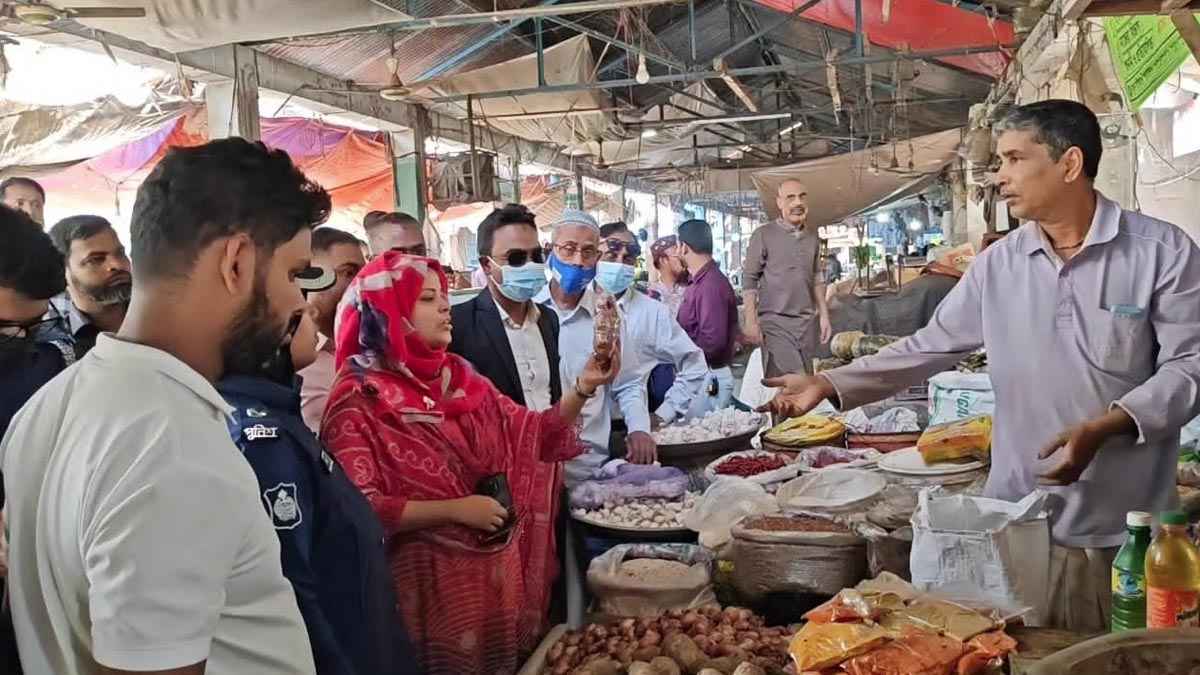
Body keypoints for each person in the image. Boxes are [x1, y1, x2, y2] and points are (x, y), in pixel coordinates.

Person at [760, 99, 1200, 633]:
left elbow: (1189, 367)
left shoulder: (1162, 253)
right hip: (1015, 519)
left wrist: (1109, 425)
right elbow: (932, 345)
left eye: (1014, 159)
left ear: (1069, 164)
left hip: (1123, 530)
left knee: (1118, 661)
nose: (999, 177)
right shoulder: (1000, 264)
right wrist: (831, 381)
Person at [1, 138, 328, 675]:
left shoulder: (50, 405)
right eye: (293, 275)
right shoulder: (172, 450)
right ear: (238, 262)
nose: (299, 303)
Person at [320, 252, 618, 675]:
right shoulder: (359, 398)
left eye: (442, 296)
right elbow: (356, 506)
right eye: (426, 298)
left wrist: (584, 387)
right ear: (389, 312)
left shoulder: (462, 377)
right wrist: (456, 510)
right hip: (424, 594)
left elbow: (535, 434)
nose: (444, 306)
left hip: (496, 589)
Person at [219, 274, 420, 675]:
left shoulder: (281, 415)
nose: (313, 312)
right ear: (271, 341)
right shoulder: (264, 438)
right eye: (299, 314)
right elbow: (295, 585)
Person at [450, 204, 560, 410]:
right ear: (486, 265)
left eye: (536, 256)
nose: (530, 265)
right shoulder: (459, 324)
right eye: (515, 259)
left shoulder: (548, 319)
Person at [743, 179, 832, 377]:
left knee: (804, 387)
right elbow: (749, 279)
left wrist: (824, 315)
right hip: (775, 324)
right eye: (790, 197)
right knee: (792, 383)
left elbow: (817, 277)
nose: (797, 202)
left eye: (802, 196)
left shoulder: (812, 236)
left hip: (806, 325)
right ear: (779, 203)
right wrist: (750, 322)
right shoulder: (763, 235)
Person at [299, 226, 366, 433]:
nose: (360, 283)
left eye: (364, 273)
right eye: (349, 272)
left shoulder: (372, 347)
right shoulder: (290, 357)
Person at [675, 219, 738, 416]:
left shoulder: (710, 285)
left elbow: (713, 342)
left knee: (703, 433)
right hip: (702, 375)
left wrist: (680, 354)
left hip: (710, 380)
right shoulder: (701, 281)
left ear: (684, 247)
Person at [46, 215, 131, 359]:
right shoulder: (51, 340)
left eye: (120, 253)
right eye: (96, 259)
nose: (117, 264)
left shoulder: (159, 312)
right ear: (62, 271)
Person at [646, 234, 688, 317]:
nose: (683, 260)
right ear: (663, 261)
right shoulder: (650, 295)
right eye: (678, 257)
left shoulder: (691, 289)